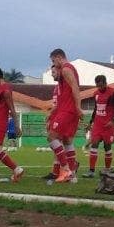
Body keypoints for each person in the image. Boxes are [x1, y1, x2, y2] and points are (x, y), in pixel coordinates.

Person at [47, 49, 82, 183]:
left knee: (51, 137)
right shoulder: (64, 71)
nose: (53, 64)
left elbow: (75, 88)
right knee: (67, 141)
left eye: (53, 61)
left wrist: (78, 107)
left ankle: (66, 169)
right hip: (66, 109)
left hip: (68, 110)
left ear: (59, 57)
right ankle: (72, 175)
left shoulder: (67, 69)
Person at [82, 75, 114, 178]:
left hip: (108, 125)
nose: (100, 88)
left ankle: (108, 169)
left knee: (107, 146)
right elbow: (96, 109)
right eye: (98, 86)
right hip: (98, 124)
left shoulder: (112, 93)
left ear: (105, 83)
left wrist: (112, 120)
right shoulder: (96, 94)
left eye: (101, 85)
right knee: (94, 144)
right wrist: (90, 123)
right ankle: (91, 171)